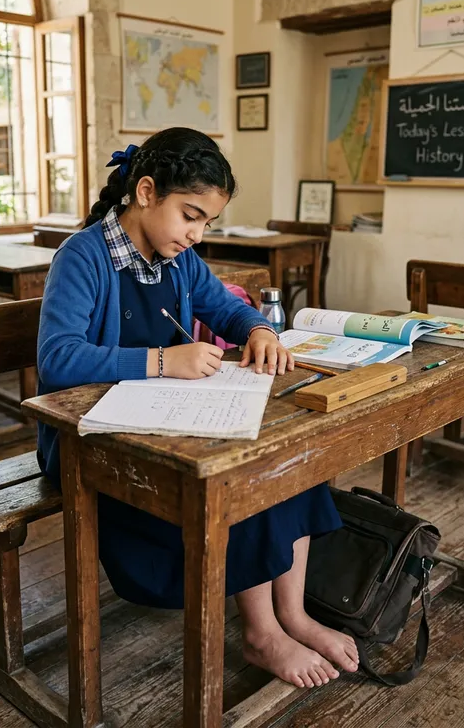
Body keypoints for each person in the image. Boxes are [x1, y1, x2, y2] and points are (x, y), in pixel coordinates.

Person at [37, 127, 359, 688]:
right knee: (244, 485)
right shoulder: (83, 257)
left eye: (207, 222)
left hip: (170, 427)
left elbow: (227, 310)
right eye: (190, 215)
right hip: (96, 447)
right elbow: (58, 360)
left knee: (291, 465)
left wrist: (259, 330)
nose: (196, 235)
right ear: (144, 193)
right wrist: (164, 362)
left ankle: (294, 615)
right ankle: (261, 633)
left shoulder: (180, 261)